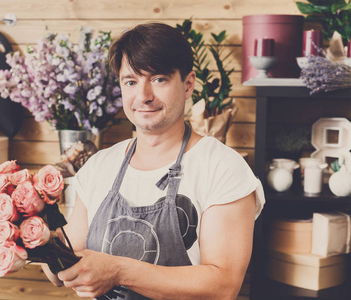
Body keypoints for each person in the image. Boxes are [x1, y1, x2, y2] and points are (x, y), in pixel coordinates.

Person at [43, 22, 265, 299]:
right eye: (131, 82)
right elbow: (64, 268)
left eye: (158, 79)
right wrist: (31, 235)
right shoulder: (99, 166)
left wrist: (119, 271)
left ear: (188, 84)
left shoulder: (222, 167)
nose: (144, 96)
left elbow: (222, 286)